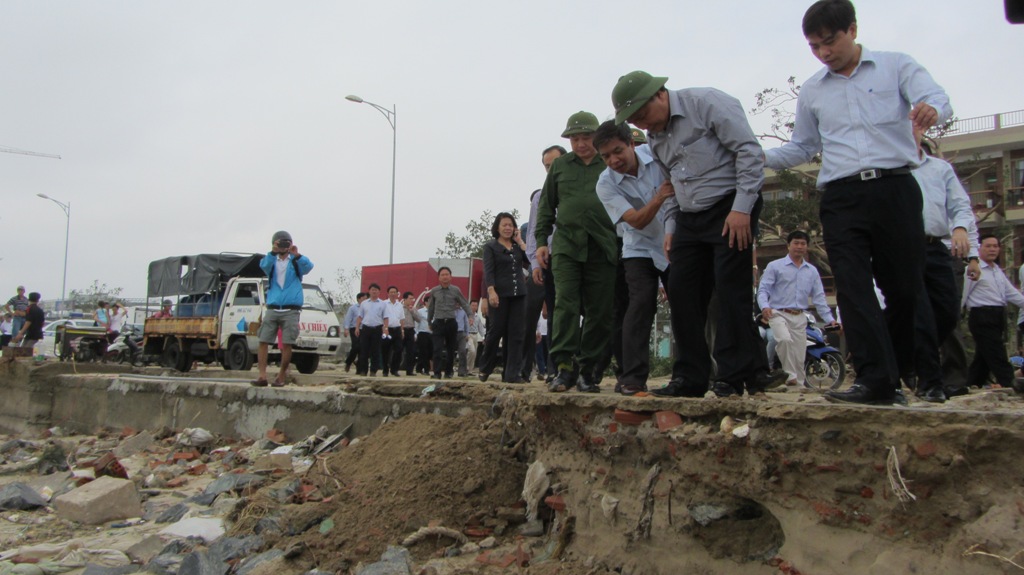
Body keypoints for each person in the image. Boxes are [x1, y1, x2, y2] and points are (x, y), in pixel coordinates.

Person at [763, 0, 952, 405]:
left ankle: (894, 373)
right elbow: (803, 146)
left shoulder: (896, 66)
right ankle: (874, 379)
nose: (824, 53)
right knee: (851, 287)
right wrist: (754, 156)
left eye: (829, 42)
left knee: (904, 290)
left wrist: (931, 108)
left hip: (895, 189)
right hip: (842, 196)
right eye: (814, 47)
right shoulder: (813, 90)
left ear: (852, 29)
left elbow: (935, 96)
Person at [611, 70, 770, 398]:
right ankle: (690, 377)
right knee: (681, 293)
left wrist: (741, 208)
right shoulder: (654, 138)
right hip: (688, 217)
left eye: (643, 114)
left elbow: (750, 153)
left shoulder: (708, 103)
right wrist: (671, 227)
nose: (643, 124)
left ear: (659, 94)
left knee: (729, 290)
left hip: (730, 206)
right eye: (635, 121)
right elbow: (671, 185)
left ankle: (732, 375)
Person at [535, 111, 617, 393]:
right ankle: (563, 367)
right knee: (565, 306)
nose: (581, 144)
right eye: (575, 138)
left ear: (596, 137)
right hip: (567, 247)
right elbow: (546, 205)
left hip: (603, 245)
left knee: (599, 310)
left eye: (586, 137)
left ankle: (588, 368)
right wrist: (541, 241)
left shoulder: (609, 164)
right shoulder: (560, 167)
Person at [593, 121, 673, 395]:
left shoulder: (659, 156)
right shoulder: (604, 184)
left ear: (632, 144)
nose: (613, 160)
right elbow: (636, 221)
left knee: (686, 306)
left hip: (674, 241)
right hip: (638, 248)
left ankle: (689, 375)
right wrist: (660, 196)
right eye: (606, 157)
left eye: (618, 151)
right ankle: (632, 379)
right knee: (639, 306)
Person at [911, 136, 980, 402]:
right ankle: (931, 382)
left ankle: (911, 356)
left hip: (940, 246)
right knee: (921, 315)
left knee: (949, 313)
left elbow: (961, 206)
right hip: (905, 249)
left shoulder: (940, 169)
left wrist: (963, 233)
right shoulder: (891, 169)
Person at [757, 230, 837, 388]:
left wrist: (830, 319)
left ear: (806, 247)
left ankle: (799, 386)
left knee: (800, 352)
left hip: (800, 316)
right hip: (778, 312)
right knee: (784, 340)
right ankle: (790, 375)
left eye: (803, 244)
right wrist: (764, 306)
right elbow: (763, 289)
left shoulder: (812, 271)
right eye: (796, 243)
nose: (799, 247)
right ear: (788, 245)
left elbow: (819, 298)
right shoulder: (775, 266)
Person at [960, 234, 1024, 391]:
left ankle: (971, 383)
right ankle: (1011, 383)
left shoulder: (997, 271)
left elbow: (1011, 294)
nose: (992, 249)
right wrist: (956, 314)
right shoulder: (973, 269)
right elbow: (962, 294)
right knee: (997, 352)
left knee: (983, 356)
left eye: (995, 246)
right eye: (988, 246)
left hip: (997, 315)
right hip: (981, 315)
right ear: (980, 248)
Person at [251, 230, 314, 387]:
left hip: (291, 309)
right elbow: (263, 265)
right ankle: (262, 375)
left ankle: (281, 376)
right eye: (280, 243)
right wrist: (273, 252)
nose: (284, 245)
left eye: (286, 242)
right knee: (263, 340)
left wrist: (297, 255)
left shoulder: (295, 262)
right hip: (273, 306)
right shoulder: (271, 261)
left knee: (287, 343)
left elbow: (308, 267)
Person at [526, 145, 567, 383]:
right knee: (554, 314)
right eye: (547, 167)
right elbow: (533, 231)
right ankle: (555, 368)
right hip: (550, 260)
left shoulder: (582, 188)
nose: (551, 171)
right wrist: (535, 263)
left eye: (555, 165)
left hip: (581, 258)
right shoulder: (541, 197)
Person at [479, 212, 530, 383]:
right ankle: (485, 367)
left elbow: (529, 259)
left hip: (519, 294)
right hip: (499, 295)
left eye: (511, 225)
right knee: (496, 331)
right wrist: (491, 291)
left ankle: (511, 374)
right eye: (504, 225)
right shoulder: (490, 247)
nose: (508, 228)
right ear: (497, 227)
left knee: (516, 334)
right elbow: (488, 271)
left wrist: (520, 241)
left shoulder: (516, 247)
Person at [427, 267, 473, 379]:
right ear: (439, 277)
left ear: (451, 276)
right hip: (438, 322)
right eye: (442, 275)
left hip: (451, 323)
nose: (445, 277)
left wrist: (470, 315)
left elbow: (465, 303)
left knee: (450, 349)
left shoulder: (455, 290)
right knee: (437, 349)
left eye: (447, 274)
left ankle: (449, 372)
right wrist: (429, 321)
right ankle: (437, 373)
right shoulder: (434, 291)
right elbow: (431, 308)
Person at [355, 283, 387, 376]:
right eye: (372, 290)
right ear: (369, 291)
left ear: (379, 292)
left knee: (375, 351)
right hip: (365, 329)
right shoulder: (364, 303)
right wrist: (357, 327)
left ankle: (373, 371)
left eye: (376, 290)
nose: (374, 291)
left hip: (377, 329)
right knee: (364, 350)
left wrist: (386, 328)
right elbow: (360, 316)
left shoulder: (383, 304)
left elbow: (386, 317)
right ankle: (363, 370)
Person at [381, 286, 405, 377]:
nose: (393, 294)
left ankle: (394, 369)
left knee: (399, 349)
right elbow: (381, 317)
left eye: (395, 292)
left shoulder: (399, 305)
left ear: (397, 293)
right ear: (388, 293)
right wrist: (383, 328)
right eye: (391, 292)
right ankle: (385, 370)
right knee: (385, 351)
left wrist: (402, 330)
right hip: (387, 330)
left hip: (397, 329)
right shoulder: (384, 304)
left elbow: (402, 319)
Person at [343, 292, 368, 372]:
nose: (365, 300)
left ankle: (359, 368)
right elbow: (348, 318)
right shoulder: (353, 308)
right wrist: (346, 329)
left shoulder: (367, 308)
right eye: (363, 298)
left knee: (363, 349)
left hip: (364, 329)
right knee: (356, 347)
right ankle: (349, 362)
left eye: (366, 299)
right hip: (354, 328)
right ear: (358, 299)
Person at [414, 295, 432, 375]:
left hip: (431, 334)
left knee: (429, 352)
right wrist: (416, 333)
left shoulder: (434, 311)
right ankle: (426, 369)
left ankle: (418, 367)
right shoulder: (420, 311)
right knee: (424, 352)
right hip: (422, 333)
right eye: (430, 301)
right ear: (425, 302)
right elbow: (417, 323)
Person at [402, 291, 418, 376]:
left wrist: (411, 311)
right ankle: (395, 369)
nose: (412, 300)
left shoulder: (414, 308)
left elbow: (419, 319)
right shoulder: (400, 308)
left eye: (413, 298)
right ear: (405, 299)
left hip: (411, 330)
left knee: (411, 351)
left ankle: (409, 371)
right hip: (402, 330)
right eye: (410, 298)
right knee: (399, 350)